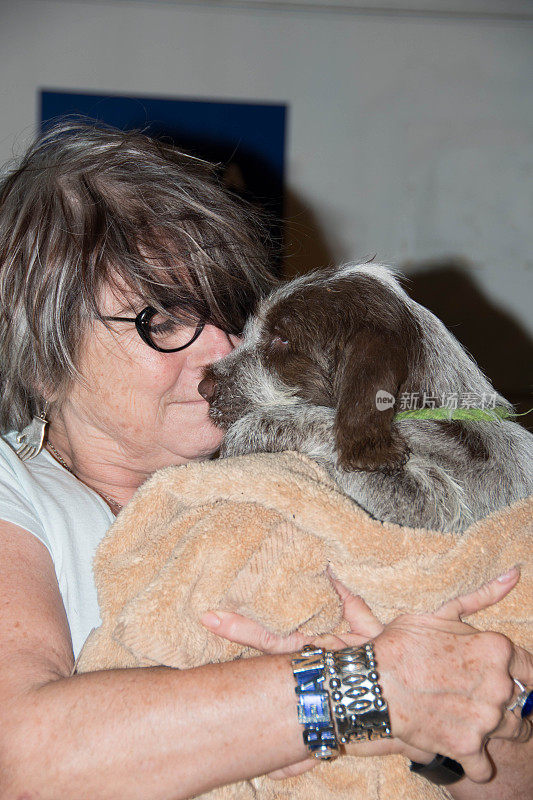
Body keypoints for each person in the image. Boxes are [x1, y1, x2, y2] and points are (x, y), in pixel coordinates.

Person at [0, 121, 530, 800]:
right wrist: (360, 692)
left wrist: (465, 716)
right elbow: (22, 756)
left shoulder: (316, 479)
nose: (221, 347)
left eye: (231, 309)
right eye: (161, 318)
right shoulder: (18, 492)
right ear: (43, 357)